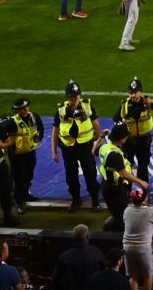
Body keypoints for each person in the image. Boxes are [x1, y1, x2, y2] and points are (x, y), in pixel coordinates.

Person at [52, 80, 102, 212]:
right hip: (68, 149)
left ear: (79, 95)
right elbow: (55, 131)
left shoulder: (87, 106)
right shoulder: (61, 110)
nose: (74, 99)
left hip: (86, 147)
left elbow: (96, 123)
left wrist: (100, 140)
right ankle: (76, 200)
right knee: (71, 176)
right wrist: (54, 151)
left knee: (90, 174)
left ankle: (95, 200)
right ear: (67, 97)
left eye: (76, 96)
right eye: (71, 96)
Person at [116, 78, 153, 181]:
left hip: (144, 140)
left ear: (141, 92)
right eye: (131, 93)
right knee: (127, 166)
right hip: (129, 141)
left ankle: (143, 192)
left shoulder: (147, 103)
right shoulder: (124, 105)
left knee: (143, 167)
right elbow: (116, 121)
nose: (133, 95)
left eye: (135, 92)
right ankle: (127, 190)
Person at [51, 224, 107, 290]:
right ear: (88, 236)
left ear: (73, 237)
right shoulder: (97, 253)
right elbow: (104, 276)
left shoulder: (64, 256)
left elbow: (55, 280)